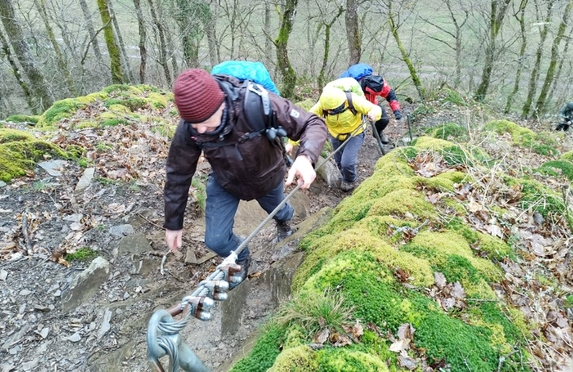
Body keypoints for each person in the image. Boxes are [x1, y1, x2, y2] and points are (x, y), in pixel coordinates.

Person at [164, 68, 327, 288]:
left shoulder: (256, 103)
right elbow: (178, 172)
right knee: (216, 241)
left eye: (206, 121)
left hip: (267, 176)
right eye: (195, 124)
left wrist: (306, 157)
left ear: (221, 103)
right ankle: (241, 258)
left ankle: (283, 222)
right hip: (226, 182)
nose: (201, 129)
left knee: (279, 210)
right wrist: (173, 222)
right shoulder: (190, 127)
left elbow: (312, 123)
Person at [287, 77, 382, 192]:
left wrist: (374, 114)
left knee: (347, 162)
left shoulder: (352, 99)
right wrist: (291, 143)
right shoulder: (323, 104)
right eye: (329, 111)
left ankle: (350, 180)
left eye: (335, 110)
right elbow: (305, 122)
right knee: (338, 161)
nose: (331, 112)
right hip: (335, 135)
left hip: (355, 133)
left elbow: (375, 108)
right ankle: (345, 176)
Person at [341, 63, 403, 144]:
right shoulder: (354, 87)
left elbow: (391, 95)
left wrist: (396, 111)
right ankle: (349, 140)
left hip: (372, 102)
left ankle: (377, 133)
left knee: (384, 120)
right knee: (356, 125)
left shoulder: (380, 82)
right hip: (354, 104)